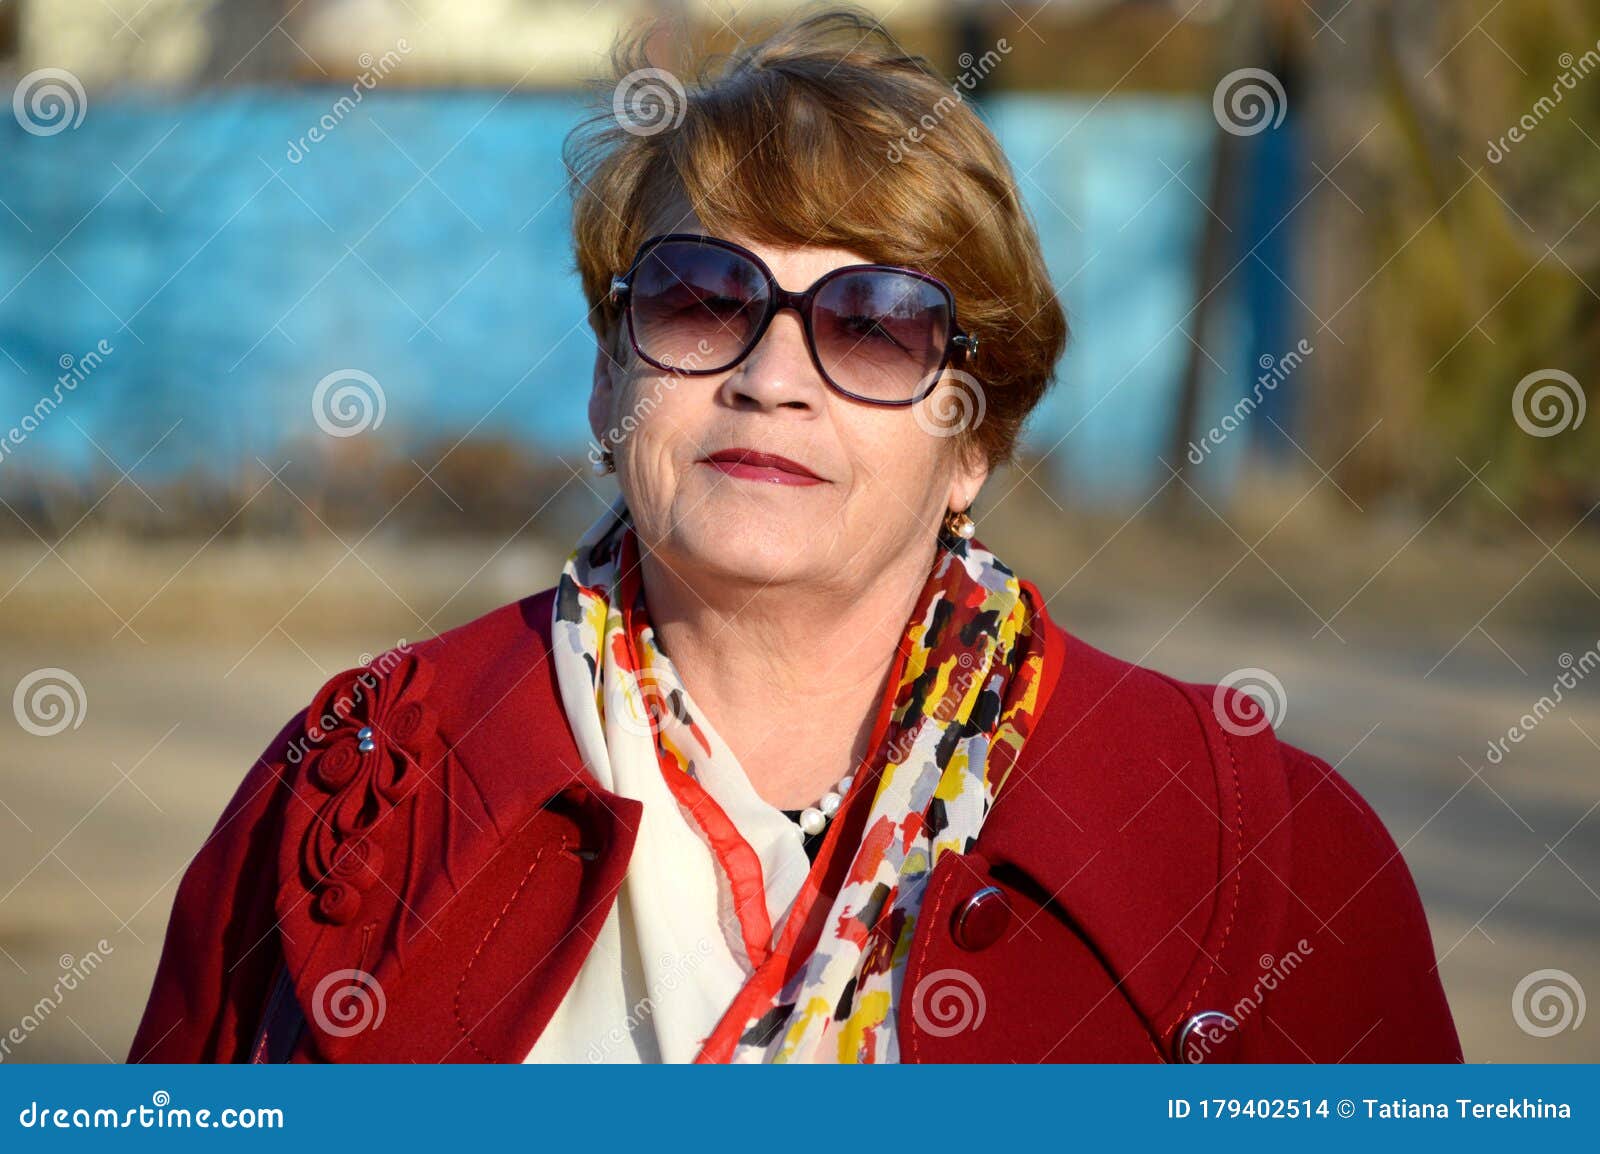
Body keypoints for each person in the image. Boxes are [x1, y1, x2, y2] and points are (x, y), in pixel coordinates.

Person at [128, 6, 1461, 1064]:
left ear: (971, 438)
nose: (774, 376)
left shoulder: (1262, 851)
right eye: (706, 299)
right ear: (610, 376)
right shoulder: (351, 786)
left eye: (874, 323)